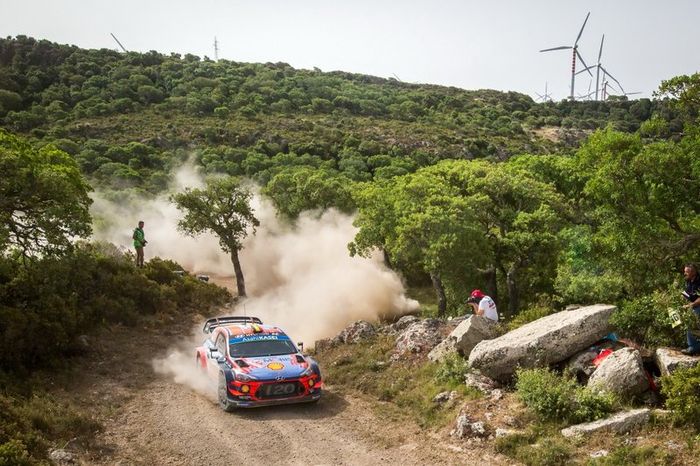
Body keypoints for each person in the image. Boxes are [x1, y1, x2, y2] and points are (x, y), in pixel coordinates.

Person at [681, 263, 700, 355]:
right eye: (685, 271)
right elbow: (688, 293)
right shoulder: (689, 280)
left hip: (697, 306)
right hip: (692, 305)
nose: (685, 273)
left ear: (693, 272)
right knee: (676, 315)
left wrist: (690, 305)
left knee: (689, 322)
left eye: (687, 272)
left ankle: (693, 347)